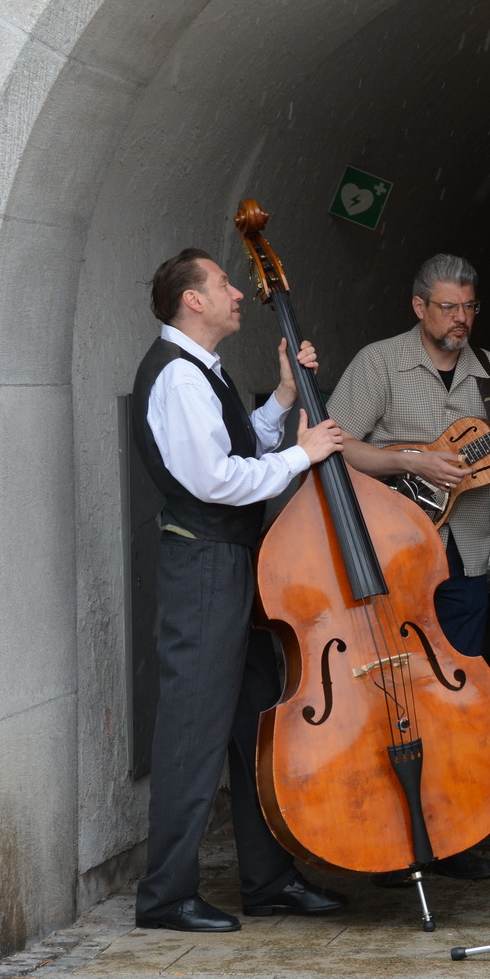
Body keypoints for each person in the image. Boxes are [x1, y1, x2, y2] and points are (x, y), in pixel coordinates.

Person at [131, 248, 349, 933]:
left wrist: (285, 399)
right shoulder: (176, 377)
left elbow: (240, 449)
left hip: (231, 562)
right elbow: (216, 479)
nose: (235, 291)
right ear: (192, 300)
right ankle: (166, 896)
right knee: (192, 733)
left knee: (257, 720)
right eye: (223, 282)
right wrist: (302, 456)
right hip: (203, 568)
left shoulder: (205, 371)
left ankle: (268, 877)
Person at [329, 252, 490, 879]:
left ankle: (449, 835)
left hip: (462, 557)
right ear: (419, 307)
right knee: (380, 694)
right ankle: (377, 826)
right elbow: (333, 444)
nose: (461, 319)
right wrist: (409, 461)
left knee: (453, 702)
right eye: (448, 307)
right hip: (389, 556)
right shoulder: (379, 363)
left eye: (469, 307)